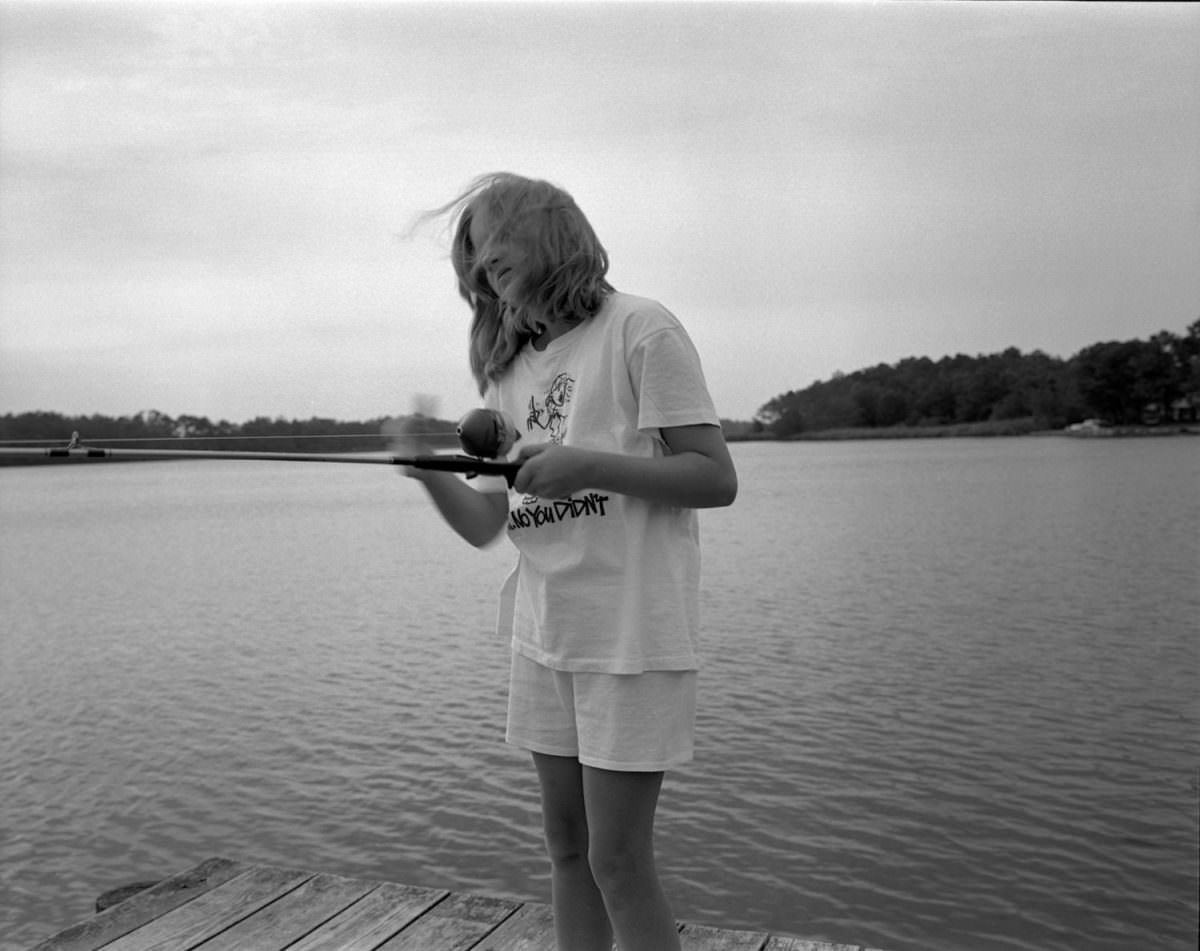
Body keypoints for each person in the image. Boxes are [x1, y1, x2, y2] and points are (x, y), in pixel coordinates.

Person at [401, 172, 737, 951]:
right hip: (546, 632)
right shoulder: (508, 371)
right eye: (475, 260)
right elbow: (489, 521)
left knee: (619, 859)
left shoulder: (641, 330)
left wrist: (585, 464)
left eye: (494, 242)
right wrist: (424, 472)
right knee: (566, 847)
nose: (486, 267)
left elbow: (715, 478)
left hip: (631, 634)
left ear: (548, 229)